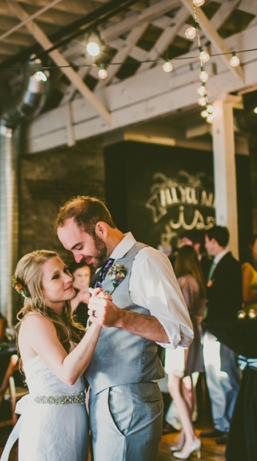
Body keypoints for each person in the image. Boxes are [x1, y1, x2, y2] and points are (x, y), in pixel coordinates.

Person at [55, 196, 193, 461]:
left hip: (129, 399)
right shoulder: (106, 266)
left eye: (79, 246)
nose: (77, 257)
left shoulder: (147, 259)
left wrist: (121, 318)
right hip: (103, 397)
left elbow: (181, 332)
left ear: (101, 229)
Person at [0, 250, 104, 461]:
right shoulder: (35, 322)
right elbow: (68, 373)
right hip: (49, 426)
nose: (68, 278)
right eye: (56, 276)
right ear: (38, 289)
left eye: (65, 270)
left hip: (75, 421)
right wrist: (98, 320)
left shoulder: (65, 323)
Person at [200, 226, 242, 445]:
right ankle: (220, 423)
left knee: (227, 376)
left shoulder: (231, 265)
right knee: (213, 376)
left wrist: (210, 291)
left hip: (223, 328)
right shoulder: (213, 264)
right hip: (211, 327)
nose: (205, 245)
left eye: (207, 241)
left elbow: (232, 300)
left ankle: (233, 425)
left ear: (213, 240)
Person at [165, 245, 206, 459]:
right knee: (187, 389)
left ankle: (190, 437)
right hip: (192, 336)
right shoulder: (196, 280)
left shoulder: (183, 281)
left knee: (175, 386)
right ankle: (185, 437)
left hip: (182, 338)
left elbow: (184, 316)